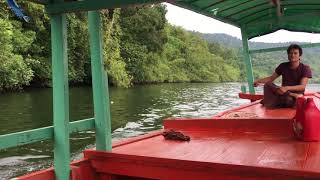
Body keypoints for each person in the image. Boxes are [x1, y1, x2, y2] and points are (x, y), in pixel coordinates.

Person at [253, 44, 312, 108]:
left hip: (295, 97)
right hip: (283, 93)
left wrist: (287, 88)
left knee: (288, 100)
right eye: (290, 53)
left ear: (299, 55)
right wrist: (258, 81)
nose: (292, 55)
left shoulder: (305, 68)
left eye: (295, 53)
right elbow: (271, 78)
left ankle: (270, 101)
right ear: (288, 55)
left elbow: (302, 87)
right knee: (268, 84)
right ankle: (284, 98)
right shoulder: (283, 66)